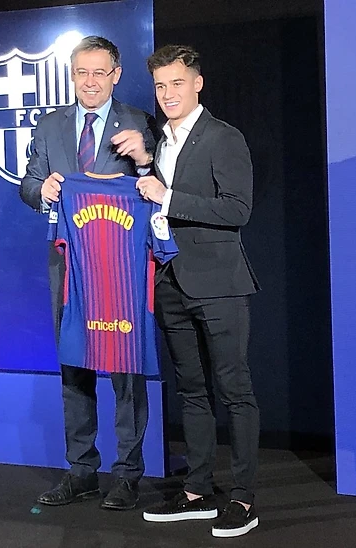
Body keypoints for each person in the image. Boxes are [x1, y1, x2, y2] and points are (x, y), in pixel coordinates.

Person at [20, 35, 158, 511]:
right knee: (73, 364)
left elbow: (161, 185)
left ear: (116, 75)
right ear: (73, 75)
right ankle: (81, 470)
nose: (90, 82)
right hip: (69, 264)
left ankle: (127, 474)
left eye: (100, 72)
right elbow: (28, 183)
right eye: (82, 72)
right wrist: (43, 189)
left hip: (121, 266)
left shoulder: (140, 122)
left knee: (125, 368)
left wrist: (145, 159)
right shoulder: (50, 124)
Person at [135, 45, 261, 537]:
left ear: (197, 83)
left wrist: (168, 197)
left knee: (234, 390)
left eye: (177, 83)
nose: (168, 94)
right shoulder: (158, 141)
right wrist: (145, 168)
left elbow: (237, 209)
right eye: (160, 86)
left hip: (220, 284)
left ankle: (243, 498)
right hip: (171, 282)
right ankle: (197, 491)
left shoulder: (224, 137)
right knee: (191, 391)